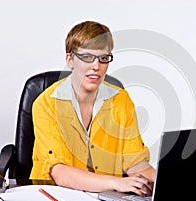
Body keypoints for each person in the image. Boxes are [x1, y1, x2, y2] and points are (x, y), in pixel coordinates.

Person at [29, 20, 156, 197]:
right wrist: (117, 182)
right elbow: (59, 172)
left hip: (106, 196)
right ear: (70, 60)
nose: (96, 66)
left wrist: (173, 184)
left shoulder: (121, 100)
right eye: (87, 57)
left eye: (103, 58)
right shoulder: (46, 104)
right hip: (57, 195)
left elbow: (134, 164)